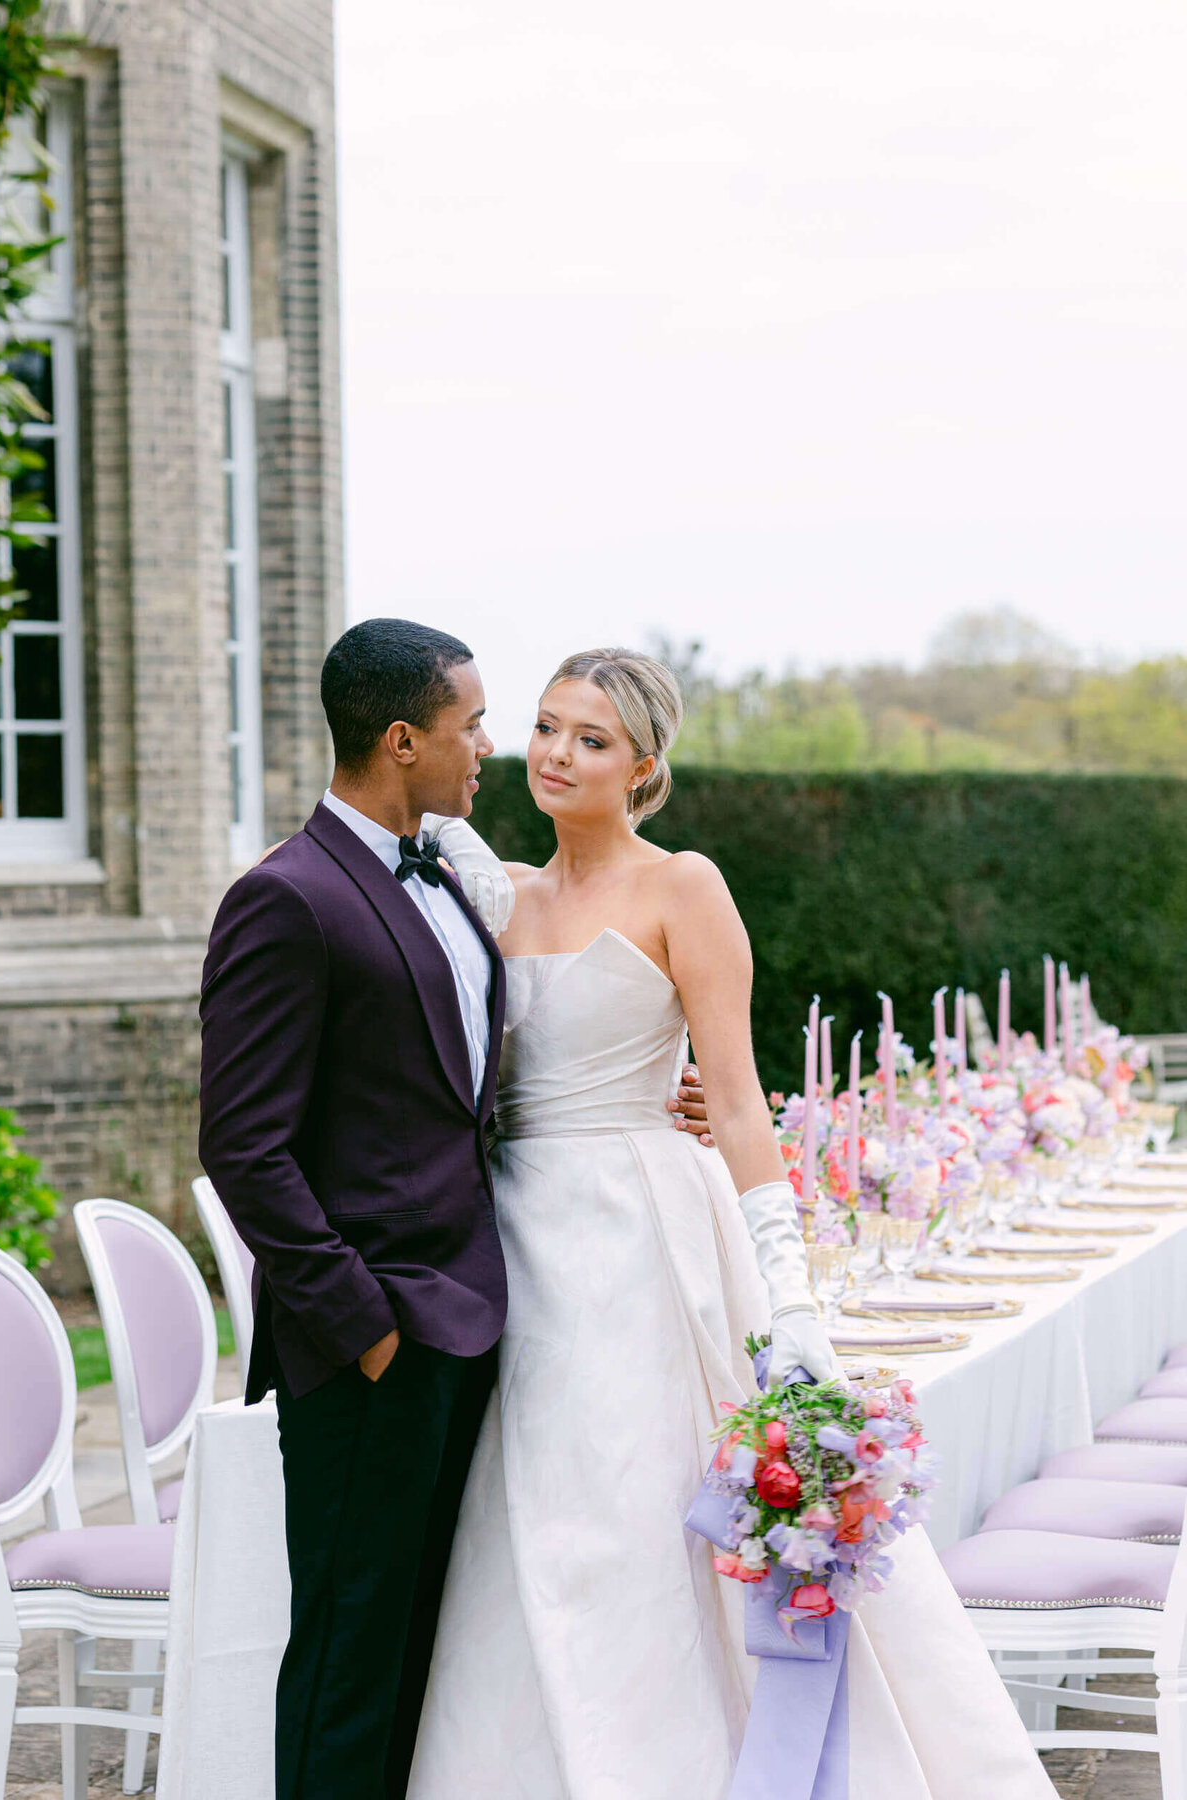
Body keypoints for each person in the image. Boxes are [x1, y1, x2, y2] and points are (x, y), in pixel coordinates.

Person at [406, 647, 1056, 1799]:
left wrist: (791, 1291)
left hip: (647, 1243)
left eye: (591, 739)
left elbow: (741, 1098)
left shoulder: (683, 887)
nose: (557, 754)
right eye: (548, 728)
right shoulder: (494, 894)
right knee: (534, 1518)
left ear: (644, 765)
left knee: (638, 1509)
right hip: (514, 1242)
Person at [197, 619, 707, 1800]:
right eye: (471, 724)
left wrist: (652, 1087)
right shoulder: (289, 898)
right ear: (400, 739)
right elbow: (243, 1146)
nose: (489, 746)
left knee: (420, 1652)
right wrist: (362, 1324)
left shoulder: (449, 878)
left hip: (472, 1318)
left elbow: (482, 1074)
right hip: (372, 1341)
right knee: (347, 1653)